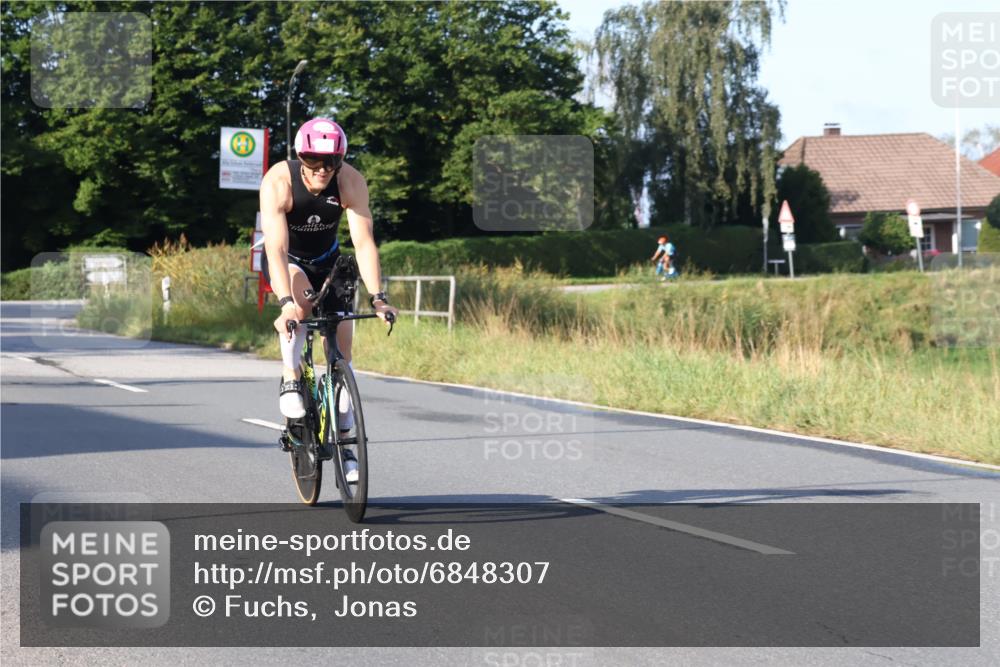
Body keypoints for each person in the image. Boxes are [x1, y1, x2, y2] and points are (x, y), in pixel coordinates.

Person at [260, 118, 398, 435]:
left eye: (332, 161)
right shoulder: (279, 181)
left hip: (327, 261)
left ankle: (347, 436)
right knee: (301, 304)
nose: (323, 169)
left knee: (342, 341)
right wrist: (285, 305)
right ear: (300, 157)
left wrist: (379, 298)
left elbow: (364, 244)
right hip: (288, 261)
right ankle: (291, 376)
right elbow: (277, 250)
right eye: (314, 160)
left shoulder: (350, 181)